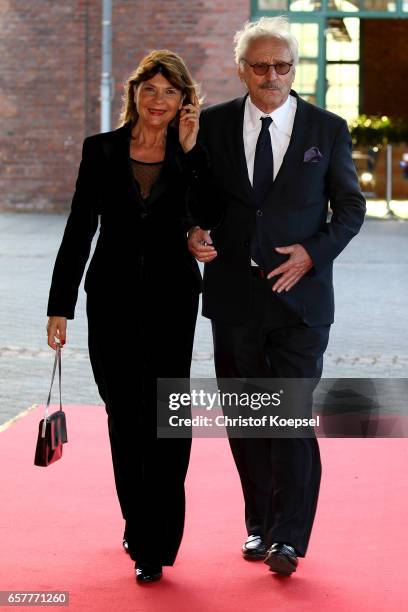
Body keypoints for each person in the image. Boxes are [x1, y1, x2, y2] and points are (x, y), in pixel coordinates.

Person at [188, 16, 366, 576]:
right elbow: (198, 197)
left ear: (295, 69)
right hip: (234, 298)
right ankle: (260, 524)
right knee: (246, 421)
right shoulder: (213, 126)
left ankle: (289, 538)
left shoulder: (327, 128)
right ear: (241, 69)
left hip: (300, 299)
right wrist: (192, 230)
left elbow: (351, 208)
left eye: (282, 65)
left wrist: (314, 252)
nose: (271, 75)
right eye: (260, 65)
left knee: (286, 416)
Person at [46, 50, 205, 583]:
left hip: (171, 301)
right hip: (110, 301)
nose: (159, 101)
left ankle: (157, 538)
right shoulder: (101, 151)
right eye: (151, 89)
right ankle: (138, 522)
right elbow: (77, 230)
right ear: (134, 93)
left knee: (165, 415)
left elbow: (210, 215)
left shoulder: (191, 155)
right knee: (125, 416)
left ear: (184, 101)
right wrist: (59, 305)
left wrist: (189, 152)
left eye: (171, 92)